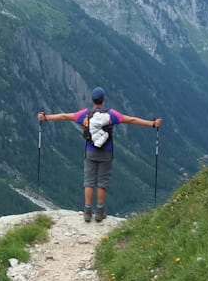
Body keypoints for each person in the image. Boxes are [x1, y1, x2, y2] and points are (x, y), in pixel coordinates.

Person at [37, 86, 162, 222]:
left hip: (90, 152)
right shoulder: (112, 114)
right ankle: (100, 212)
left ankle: (87, 212)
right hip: (106, 152)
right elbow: (132, 120)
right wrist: (152, 124)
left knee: (89, 181)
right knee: (102, 182)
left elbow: (64, 116)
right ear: (103, 100)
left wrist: (45, 117)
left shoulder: (85, 114)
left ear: (92, 99)